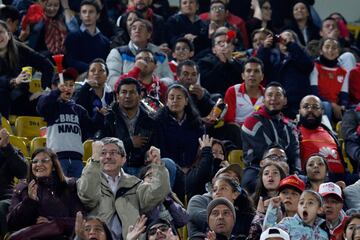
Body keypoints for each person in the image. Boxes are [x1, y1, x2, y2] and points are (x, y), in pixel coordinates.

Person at [77, 137, 170, 240]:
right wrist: (94, 160)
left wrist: (157, 165)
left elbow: (156, 195)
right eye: (103, 153)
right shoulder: (88, 179)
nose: (108, 156)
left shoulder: (134, 184)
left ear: (123, 159)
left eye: (113, 153)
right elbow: (87, 197)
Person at [37, 69, 104, 178]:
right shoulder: (52, 106)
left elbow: (91, 129)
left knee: (76, 192)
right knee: (59, 192)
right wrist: (57, 92)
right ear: (54, 87)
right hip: (57, 158)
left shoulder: (79, 110)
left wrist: (100, 116)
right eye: (64, 85)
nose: (67, 88)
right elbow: (42, 106)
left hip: (77, 159)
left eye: (71, 85)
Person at [7, 148, 84, 239]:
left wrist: (53, 221)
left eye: (44, 160)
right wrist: (29, 201)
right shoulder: (22, 188)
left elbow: (80, 220)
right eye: (35, 162)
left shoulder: (69, 186)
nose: (39, 164)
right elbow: (12, 223)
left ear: (54, 166)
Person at [241, 82, 300, 192]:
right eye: (270, 95)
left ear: (285, 100)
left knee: (302, 181)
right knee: (248, 183)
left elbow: (295, 154)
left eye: (278, 95)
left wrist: (296, 173)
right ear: (263, 99)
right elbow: (265, 152)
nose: (273, 98)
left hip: (286, 169)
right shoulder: (251, 122)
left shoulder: (290, 126)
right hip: (257, 169)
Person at [100, 78, 159, 175]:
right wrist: (129, 143)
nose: (127, 96)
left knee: (167, 163)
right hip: (117, 166)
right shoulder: (108, 118)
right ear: (117, 96)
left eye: (132, 92)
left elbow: (156, 145)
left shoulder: (150, 120)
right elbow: (102, 147)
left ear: (140, 96)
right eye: (124, 92)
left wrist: (150, 154)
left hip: (143, 167)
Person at [0, 20, 54, 118]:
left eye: (0, 32)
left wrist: (42, 89)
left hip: (22, 98)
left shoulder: (21, 50)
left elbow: (47, 66)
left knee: (46, 101)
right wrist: (14, 81)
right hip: (2, 99)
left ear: (8, 34)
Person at [256, 30, 313, 119]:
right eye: (281, 38)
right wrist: (264, 48)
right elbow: (261, 69)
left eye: (288, 38)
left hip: (298, 103)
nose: (284, 40)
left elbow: (307, 65)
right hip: (277, 104)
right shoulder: (273, 58)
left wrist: (291, 45)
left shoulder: (302, 55)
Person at [297, 95, 351, 183]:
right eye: (306, 107)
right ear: (299, 111)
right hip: (314, 181)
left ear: (322, 111)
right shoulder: (295, 132)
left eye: (315, 107)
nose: (310, 110)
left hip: (342, 179)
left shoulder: (330, 132)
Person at [107, 18, 173, 89]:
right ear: (130, 35)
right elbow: (111, 80)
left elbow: (170, 79)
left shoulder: (160, 55)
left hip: (155, 93)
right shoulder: (118, 53)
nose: (137, 30)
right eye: (134, 28)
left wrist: (155, 83)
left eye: (141, 28)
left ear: (149, 34)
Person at [155, 84, 204, 170]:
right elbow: (160, 150)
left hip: (193, 169)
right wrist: (179, 170)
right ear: (166, 101)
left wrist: (192, 168)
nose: (175, 101)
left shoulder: (196, 123)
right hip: (168, 169)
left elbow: (201, 150)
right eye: (171, 97)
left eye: (179, 98)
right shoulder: (158, 122)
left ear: (186, 101)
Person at [187, 164, 242, 239]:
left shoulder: (240, 205)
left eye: (235, 179)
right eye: (226, 176)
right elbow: (215, 224)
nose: (231, 180)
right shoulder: (198, 200)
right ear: (214, 180)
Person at [64, 0, 110, 73]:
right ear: (80, 15)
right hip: (77, 79)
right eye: (84, 12)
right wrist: (92, 69)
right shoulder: (72, 36)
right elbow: (71, 61)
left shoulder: (105, 42)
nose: (87, 15)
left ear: (98, 15)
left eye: (91, 12)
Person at [0, 118, 28, 238]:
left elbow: (23, 172)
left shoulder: (11, 150)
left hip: (5, 197)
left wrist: (7, 148)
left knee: (2, 206)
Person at [310, 38, 348, 121]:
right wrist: (332, 105)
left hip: (336, 106)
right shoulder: (314, 66)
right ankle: (328, 131)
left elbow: (344, 95)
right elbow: (314, 93)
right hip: (318, 103)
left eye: (334, 48)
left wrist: (342, 107)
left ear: (338, 52)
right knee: (326, 105)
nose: (330, 50)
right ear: (321, 51)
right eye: (327, 47)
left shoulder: (343, 71)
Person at [197, 30, 243, 97]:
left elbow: (242, 82)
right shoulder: (204, 62)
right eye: (219, 43)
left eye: (227, 42)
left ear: (232, 47)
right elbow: (206, 83)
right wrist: (222, 62)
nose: (224, 45)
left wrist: (230, 61)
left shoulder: (241, 64)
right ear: (214, 50)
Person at [224, 57, 265, 126]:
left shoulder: (268, 94)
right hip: (237, 132)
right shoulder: (233, 91)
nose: (252, 74)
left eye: (256, 71)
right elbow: (229, 121)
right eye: (248, 71)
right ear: (243, 75)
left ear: (262, 77)